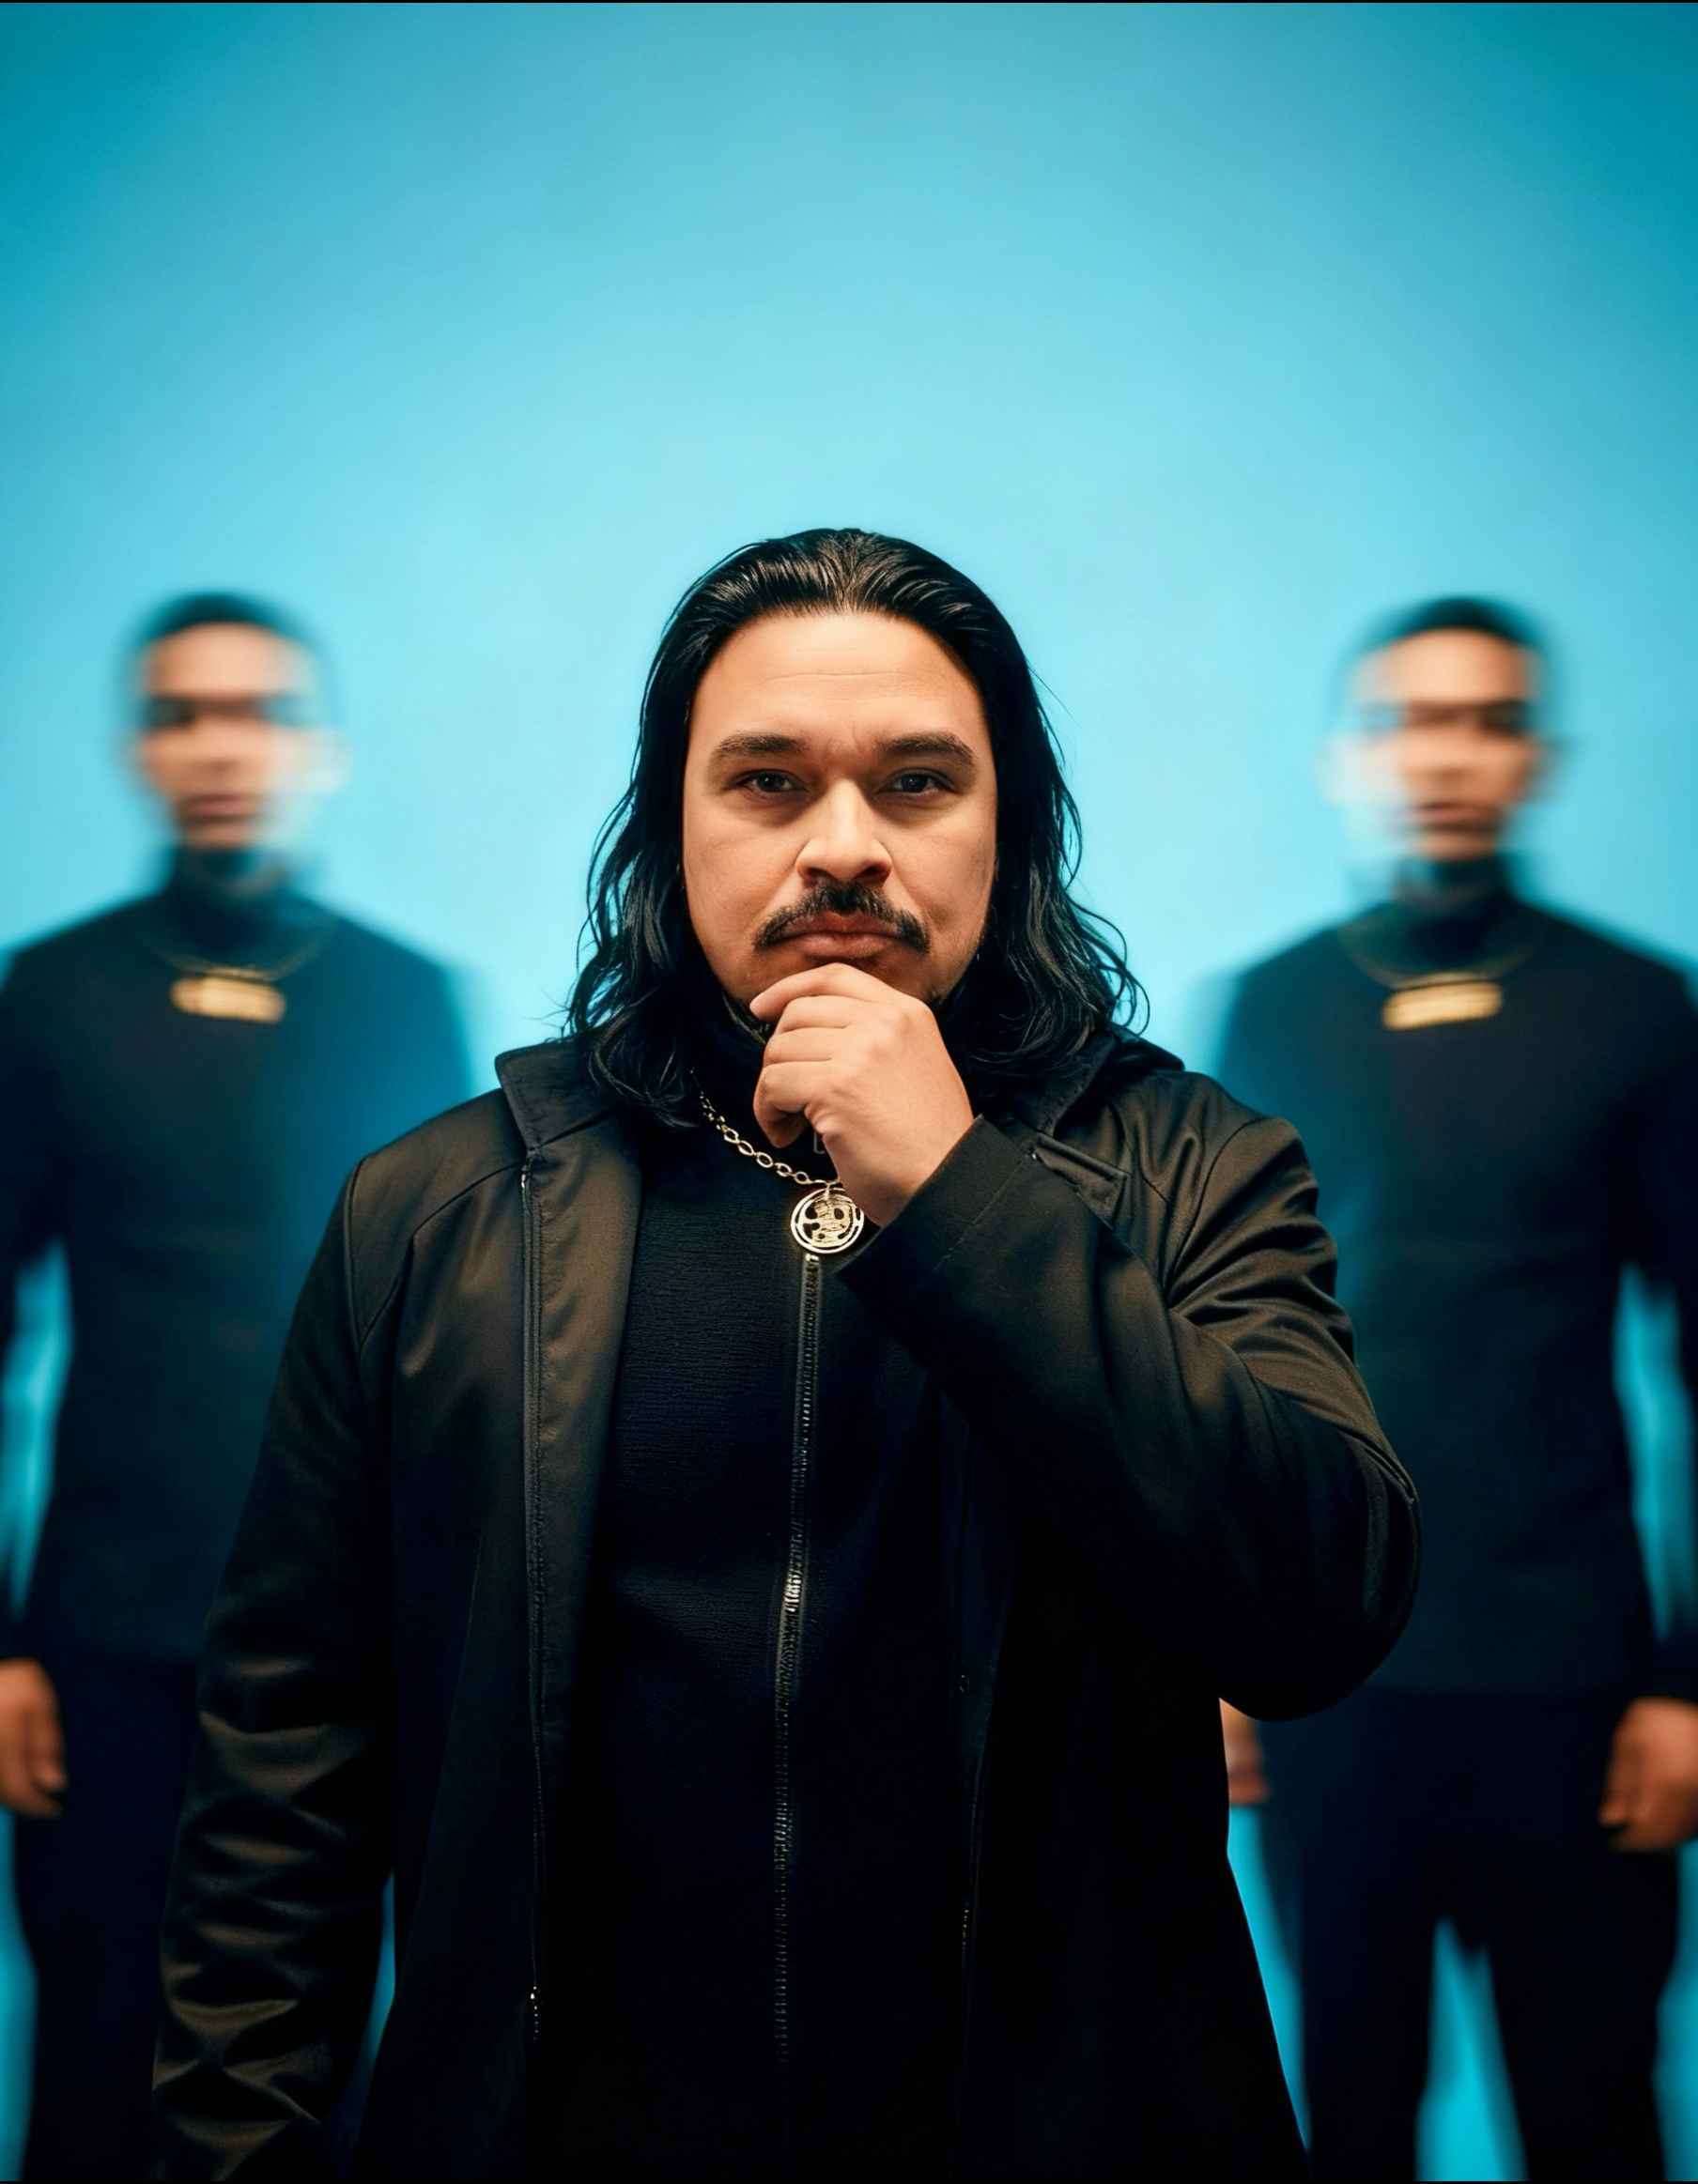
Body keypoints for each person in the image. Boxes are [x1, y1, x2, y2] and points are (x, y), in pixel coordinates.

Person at [152, 530, 1417, 2182]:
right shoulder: (438, 1210)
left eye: (917, 783)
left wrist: (956, 1191)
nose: (843, 846)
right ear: (667, 825)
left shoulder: (1193, 1168)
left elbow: (1318, 1600)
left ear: (1011, 827)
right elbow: (282, 1785)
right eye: (767, 781)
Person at [1218, 597, 1698, 2181]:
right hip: (1335, 1680)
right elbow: (1216, 1367)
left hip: (1573, 1685)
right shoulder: (1272, 1008)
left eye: (1489, 721)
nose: (1448, 755)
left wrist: (1692, 1686)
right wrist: (1220, 1652)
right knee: (1346, 2106)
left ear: (1536, 757)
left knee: (1594, 2112)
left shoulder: (1638, 1010)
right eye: (1411, 720)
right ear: (1345, 757)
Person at [0, 593, 470, 2180]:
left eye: (261, 711)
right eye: (182, 712)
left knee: (325, 2072)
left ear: (322, 747)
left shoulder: (402, 998)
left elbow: (454, 1342)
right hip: (104, 1640)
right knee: (96, 2063)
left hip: (348, 1629)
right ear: (140, 748)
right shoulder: (50, 995)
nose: (222, 746)